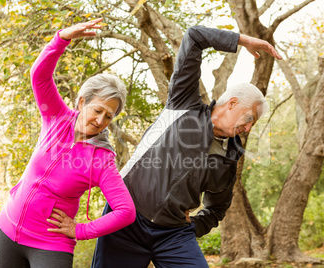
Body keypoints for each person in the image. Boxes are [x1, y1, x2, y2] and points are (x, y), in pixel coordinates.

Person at [91, 25, 282, 267]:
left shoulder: (230, 155)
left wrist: (195, 226)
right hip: (127, 216)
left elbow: (217, 207)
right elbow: (195, 36)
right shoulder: (185, 102)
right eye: (248, 120)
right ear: (232, 103)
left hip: (173, 235)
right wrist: (243, 41)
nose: (248, 129)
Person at [0, 18, 136, 268]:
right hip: (7, 230)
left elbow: (125, 211)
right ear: (82, 102)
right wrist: (62, 38)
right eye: (97, 110)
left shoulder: (102, 159)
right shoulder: (56, 117)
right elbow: (39, 75)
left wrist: (81, 230)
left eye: (109, 116)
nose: (101, 120)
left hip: (50, 245)